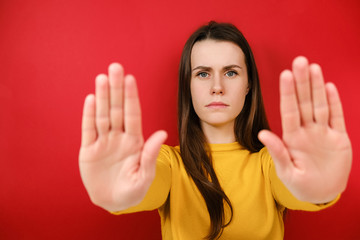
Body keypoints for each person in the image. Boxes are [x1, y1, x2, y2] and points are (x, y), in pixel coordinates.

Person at [78, 22, 352, 239]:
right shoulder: (168, 164)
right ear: (188, 85)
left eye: (231, 72)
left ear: (248, 85)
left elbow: (296, 187)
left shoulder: (270, 164)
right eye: (203, 73)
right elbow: (148, 185)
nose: (217, 86)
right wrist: (117, 195)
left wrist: (322, 191)